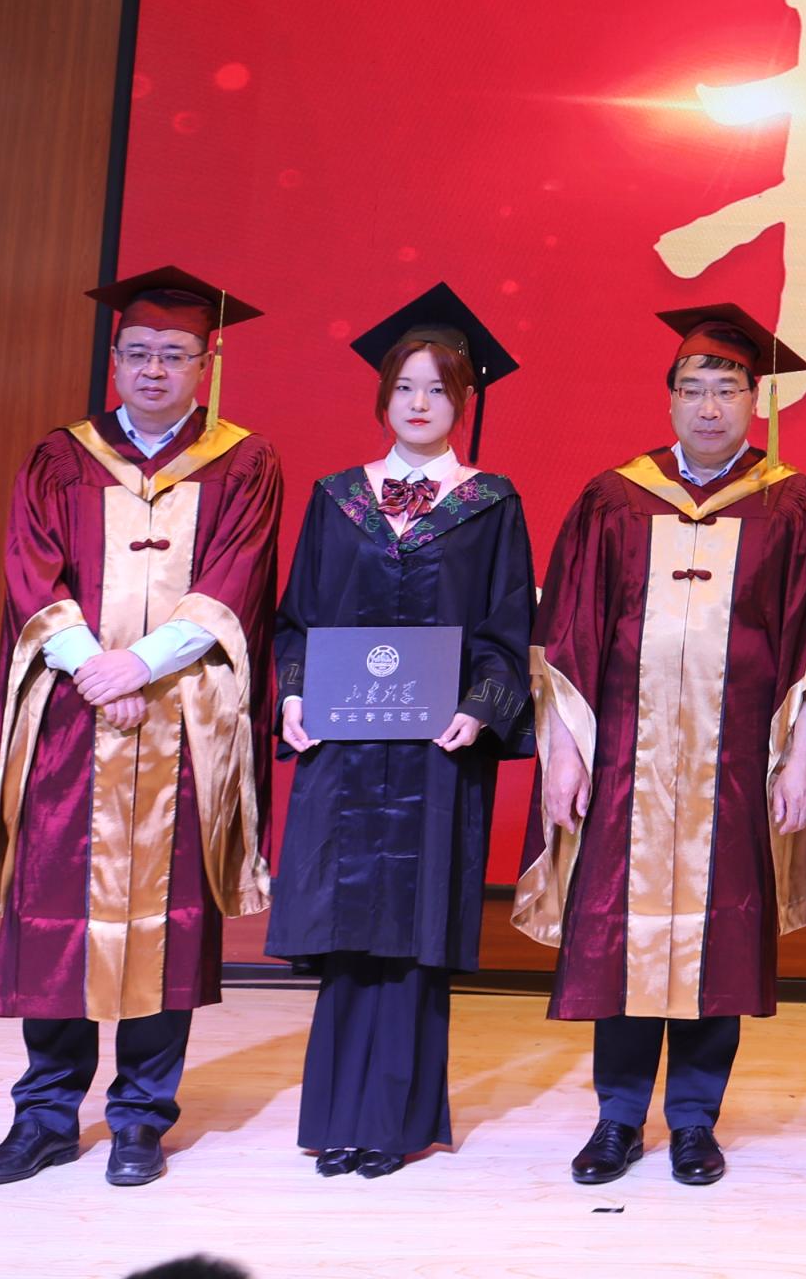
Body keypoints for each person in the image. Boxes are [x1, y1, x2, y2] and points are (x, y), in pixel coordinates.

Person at [516, 303, 806, 1189]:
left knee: (721, 938)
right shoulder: (615, 498)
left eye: (727, 390)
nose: (709, 407)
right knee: (619, 936)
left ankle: (696, 1122)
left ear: (756, 401)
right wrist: (564, 754)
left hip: (736, 765)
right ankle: (618, 1118)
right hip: (623, 762)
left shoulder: (793, 503)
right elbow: (567, 636)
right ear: (668, 400)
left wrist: (804, 755)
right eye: (694, 390)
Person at [0, 269, 284, 1190]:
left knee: (167, 920)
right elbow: (31, 572)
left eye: (174, 355)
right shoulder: (59, 457)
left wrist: (138, 666)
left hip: (182, 717)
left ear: (205, 363)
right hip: (74, 719)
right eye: (138, 353)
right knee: (57, 915)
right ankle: (44, 1117)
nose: (154, 369)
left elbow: (235, 579)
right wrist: (93, 669)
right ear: (114, 359)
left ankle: (142, 1116)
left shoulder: (244, 462)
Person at [267, 287, 538, 1175]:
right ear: (383, 396)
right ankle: (334, 1121)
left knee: (414, 941)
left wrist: (480, 707)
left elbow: (506, 630)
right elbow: (298, 620)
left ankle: (394, 1123)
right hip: (344, 752)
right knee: (346, 934)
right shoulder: (336, 498)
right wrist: (294, 697)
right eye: (405, 387)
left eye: (439, 389)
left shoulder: (490, 503)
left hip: (434, 756)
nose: (420, 403)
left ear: (465, 402)